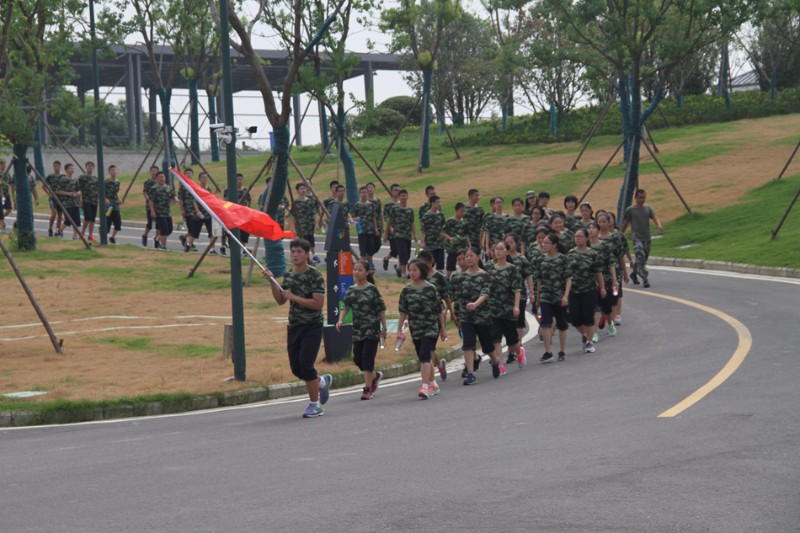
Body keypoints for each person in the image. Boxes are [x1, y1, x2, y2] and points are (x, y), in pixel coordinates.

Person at [262, 238, 333, 418]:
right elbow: (280, 300)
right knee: (296, 368)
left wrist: (294, 297)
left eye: (299, 252)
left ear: (307, 254)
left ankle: (314, 405)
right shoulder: (289, 276)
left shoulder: (314, 275)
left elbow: (318, 304)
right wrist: (272, 281)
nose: (295, 255)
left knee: (306, 364)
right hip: (294, 326)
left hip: (312, 325)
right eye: (293, 251)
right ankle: (320, 381)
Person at [336, 260, 387, 400]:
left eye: (360, 270)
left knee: (367, 358)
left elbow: (380, 309)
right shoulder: (351, 290)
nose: (356, 272)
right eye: (355, 270)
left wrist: (384, 327)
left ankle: (367, 389)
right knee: (358, 359)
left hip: (372, 329)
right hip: (358, 330)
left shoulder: (372, 289)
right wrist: (340, 320)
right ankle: (375, 376)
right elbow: (345, 306)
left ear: (367, 272)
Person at [397, 259, 447, 399]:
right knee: (423, 357)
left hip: (431, 327)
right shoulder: (406, 290)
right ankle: (433, 383)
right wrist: (399, 330)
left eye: (415, 270)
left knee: (425, 355)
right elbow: (403, 312)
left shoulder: (430, 288)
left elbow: (439, 310)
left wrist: (442, 328)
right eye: (410, 270)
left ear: (422, 271)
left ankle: (424, 387)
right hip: (415, 328)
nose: (411, 273)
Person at [454, 247, 498, 385]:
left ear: (478, 257)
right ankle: (471, 373)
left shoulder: (485, 275)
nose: (468, 259)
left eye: (471, 256)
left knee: (487, 346)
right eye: (466, 256)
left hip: (482, 316)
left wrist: (475, 304)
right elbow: (459, 298)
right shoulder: (461, 277)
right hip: (467, 317)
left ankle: (495, 361)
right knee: (468, 345)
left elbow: (485, 293)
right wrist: (460, 315)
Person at [417, 250, 455, 381]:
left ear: (430, 262)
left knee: (429, 347)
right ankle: (438, 365)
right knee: (428, 348)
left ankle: (429, 380)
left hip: (435, 316)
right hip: (420, 318)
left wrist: (450, 312)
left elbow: (446, 296)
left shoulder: (439, 277)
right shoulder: (418, 277)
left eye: (424, 262)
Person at [486, 241, 525, 371]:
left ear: (507, 252)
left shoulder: (512, 269)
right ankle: (500, 364)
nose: (498, 251)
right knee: (495, 337)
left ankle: (519, 353)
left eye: (501, 249)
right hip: (493, 308)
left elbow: (517, 289)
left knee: (512, 339)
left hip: (508, 307)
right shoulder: (489, 268)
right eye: (496, 249)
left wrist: (516, 306)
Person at [566, 228, 605, 353]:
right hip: (574, 290)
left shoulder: (592, 254)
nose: (578, 239)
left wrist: (602, 287)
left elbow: (598, 272)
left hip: (589, 289)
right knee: (575, 319)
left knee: (588, 318)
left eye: (581, 236)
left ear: (587, 239)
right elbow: (566, 274)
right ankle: (584, 334)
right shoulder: (570, 253)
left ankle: (589, 341)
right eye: (576, 236)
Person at [536, 232, 572, 363]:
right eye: (543, 242)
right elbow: (539, 280)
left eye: (547, 243)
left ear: (555, 245)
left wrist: (566, 296)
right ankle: (548, 351)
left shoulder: (563, 259)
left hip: (559, 296)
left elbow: (568, 279)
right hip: (546, 296)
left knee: (562, 324)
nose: (543, 245)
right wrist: (538, 297)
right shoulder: (541, 259)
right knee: (545, 323)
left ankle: (562, 351)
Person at [621, 188, 664, 288]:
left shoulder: (648, 208)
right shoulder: (630, 210)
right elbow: (625, 223)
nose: (642, 199)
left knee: (642, 260)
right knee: (640, 256)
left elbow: (654, 217)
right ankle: (645, 279)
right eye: (640, 198)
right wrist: (620, 235)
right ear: (636, 198)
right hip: (637, 238)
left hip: (647, 238)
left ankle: (634, 274)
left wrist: (659, 225)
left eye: (644, 197)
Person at [588, 221, 619, 343]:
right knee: (593, 307)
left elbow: (611, 263)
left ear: (597, 230)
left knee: (605, 307)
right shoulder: (585, 246)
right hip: (589, 282)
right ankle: (594, 332)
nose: (591, 230)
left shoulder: (604, 246)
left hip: (605, 280)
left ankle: (610, 323)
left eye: (593, 228)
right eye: (589, 228)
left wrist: (614, 279)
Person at [505, 233, 533, 354]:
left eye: (511, 242)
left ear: (516, 243)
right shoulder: (501, 258)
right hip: (504, 297)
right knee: (507, 323)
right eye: (507, 242)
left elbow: (528, 275)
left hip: (519, 294)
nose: (509, 245)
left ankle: (518, 346)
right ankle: (511, 347)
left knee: (519, 321)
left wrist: (531, 291)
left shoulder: (521, 259)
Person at [387, 189, 416, 278]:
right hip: (398, 235)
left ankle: (399, 268)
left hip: (407, 235)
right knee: (402, 253)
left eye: (405, 195)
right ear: (399, 197)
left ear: (407, 197)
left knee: (407, 254)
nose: (403, 197)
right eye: (402, 196)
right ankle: (404, 274)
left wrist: (414, 234)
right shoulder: (395, 209)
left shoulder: (410, 210)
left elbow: (412, 223)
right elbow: (390, 221)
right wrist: (391, 229)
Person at [292, 182, 321, 263]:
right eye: (301, 188)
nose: (303, 190)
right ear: (297, 190)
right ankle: (303, 258)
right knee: (301, 242)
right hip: (300, 226)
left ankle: (314, 255)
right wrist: (293, 228)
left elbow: (314, 213)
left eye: (304, 188)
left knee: (311, 240)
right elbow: (293, 216)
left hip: (309, 225)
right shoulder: (296, 202)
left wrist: (316, 223)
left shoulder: (310, 201)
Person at [149, 171, 177, 250]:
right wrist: (152, 211)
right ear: (157, 179)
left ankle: (157, 239)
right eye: (160, 177)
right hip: (158, 213)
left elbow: (173, 196)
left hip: (167, 212)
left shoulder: (168, 188)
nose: (161, 179)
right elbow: (151, 201)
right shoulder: (154, 189)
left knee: (170, 229)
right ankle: (163, 245)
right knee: (164, 229)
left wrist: (176, 200)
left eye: (163, 177)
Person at [353, 185, 380, 262]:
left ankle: (368, 263)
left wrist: (375, 228)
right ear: (359, 194)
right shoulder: (357, 205)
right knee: (363, 250)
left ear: (368, 193)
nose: (364, 194)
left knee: (371, 249)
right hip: (361, 231)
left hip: (370, 230)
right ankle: (364, 264)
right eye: (362, 192)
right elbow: (354, 217)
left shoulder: (371, 204)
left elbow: (373, 217)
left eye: (365, 192)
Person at [419, 194, 446, 271]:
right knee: (429, 262)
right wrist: (423, 242)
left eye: (440, 202)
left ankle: (439, 278)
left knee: (440, 263)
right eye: (438, 202)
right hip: (430, 243)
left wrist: (445, 240)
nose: (439, 204)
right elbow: (423, 230)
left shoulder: (441, 215)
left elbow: (444, 228)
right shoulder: (426, 215)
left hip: (440, 243)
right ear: (433, 203)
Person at [442, 202, 468, 279]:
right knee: (450, 265)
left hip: (462, 247)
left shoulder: (464, 222)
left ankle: (463, 277)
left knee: (464, 263)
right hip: (452, 248)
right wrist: (450, 238)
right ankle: (447, 279)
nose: (463, 213)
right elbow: (443, 232)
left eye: (464, 211)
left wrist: (469, 246)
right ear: (456, 211)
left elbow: (466, 235)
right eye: (461, 211)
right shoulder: (450, 221)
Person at [56, 163, 81, 240]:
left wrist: (79, 195)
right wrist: (68, 194)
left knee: (76, 220)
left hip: (75, 203)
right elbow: (57, 191)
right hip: (66, 203)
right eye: (70, 168)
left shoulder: (75, 179)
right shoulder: (63, 179)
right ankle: (60, 231)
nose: (72, 170)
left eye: (73, 168)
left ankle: (75, 236)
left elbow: (78, 189)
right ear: (66, 170)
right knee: (68, 219)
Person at [78, 161, 99, 241]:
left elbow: (98, 189)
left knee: (93, 219)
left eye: (91, 166)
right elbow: (78, 189)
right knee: (87, 218)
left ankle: (90, 235)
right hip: (86, 200)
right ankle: (82, 233)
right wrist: (80, 201)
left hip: (94, 201)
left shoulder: (95, 178)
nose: (90, 167)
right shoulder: (82, 178)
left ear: (93, 168)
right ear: (85, 167)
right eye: (88, 166)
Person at [382, 183, 401, 271]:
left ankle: (398, 267)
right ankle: (386, 259)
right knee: (395, 249)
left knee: (401, 249)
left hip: (402, 230)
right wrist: (390, 228)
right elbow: (386, 217)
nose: (397, 192)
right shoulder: (388, 204)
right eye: (395, 190)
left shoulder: (402, 203)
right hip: (392, 231)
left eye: (398, 190)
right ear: (391, 192)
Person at [45, 160, 64, 236]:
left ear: (60, 167)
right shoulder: (50, 176)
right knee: (54, 213)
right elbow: (44, 186)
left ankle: (57, 230)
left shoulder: (63, 176)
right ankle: (50, 228)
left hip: (61, 198)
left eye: (58, 166)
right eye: (55, 166)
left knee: (60, 214)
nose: (56, 167)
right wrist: (48, 193)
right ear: (53, 167)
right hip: (53, 198)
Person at [105, 164, 123, 243]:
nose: (114, 172)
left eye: (115, 170)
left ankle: (112, 237)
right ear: (109, 172)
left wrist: (119, 199)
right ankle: (104, 237)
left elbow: (116, 193)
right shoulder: (106, 182)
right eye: (112, 170)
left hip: (115, 205)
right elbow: (101, 192)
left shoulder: (117, 182)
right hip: (109, 207)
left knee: (118, 223)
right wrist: (105, 199)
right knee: (107, 221)